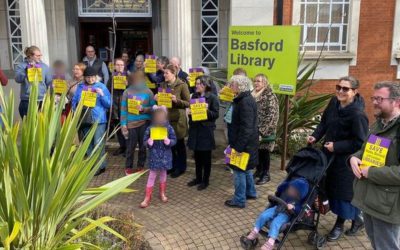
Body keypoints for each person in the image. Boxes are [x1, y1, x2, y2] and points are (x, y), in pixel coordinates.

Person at [307, 76, 369, 241]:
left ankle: (340, 224)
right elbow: (324, 123)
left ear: (354, 92)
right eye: (338, 87)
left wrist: (337, 146)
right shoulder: (333, 103)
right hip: (328, 157)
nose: (340, 91)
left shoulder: (358, 114)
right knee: (330, 190)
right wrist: (315, 136)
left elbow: (360, 143)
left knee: (343, 195)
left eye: (345, 89)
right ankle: (358, 219)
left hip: (345, 162)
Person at [349, 81, 400, 250]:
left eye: (380, 98)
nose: (374, 102)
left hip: (387, 204)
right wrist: (354, 158)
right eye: (373, 98)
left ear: (396, 101)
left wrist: (371, 172)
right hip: (369, 198)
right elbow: (364, 151)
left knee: (386, 246)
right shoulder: (378, 124)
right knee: (376, 243)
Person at [240, 178, 309, 250]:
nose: (291, 190)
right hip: (277, 208)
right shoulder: (286, 191)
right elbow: (279, 189)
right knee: (264, 215)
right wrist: (287, 184)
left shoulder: (298, 201)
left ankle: (271, 242)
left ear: (298, 193)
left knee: (275, 222)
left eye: (293, 190)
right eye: (291, 187)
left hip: (285, 214)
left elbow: (300, 210)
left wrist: (293, 207)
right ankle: (255, 231)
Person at [224, 75, 259, 209]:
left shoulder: (244, 102)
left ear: (239, 86)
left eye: (232, 84)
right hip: (247, 143)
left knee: (238, 170)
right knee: (247, 169)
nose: (230, 86)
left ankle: (239, 199)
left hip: (243, 144)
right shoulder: (243, 99)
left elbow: (246, 128)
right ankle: (250, 192)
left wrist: (238, 147)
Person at [72, 67, 111, 176]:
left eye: (92, 77)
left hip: (99, 119)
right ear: (85, 77)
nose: (90, 79)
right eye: (88, 77)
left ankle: (101, 166)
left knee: (98, 143)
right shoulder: (80, 87)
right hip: (84, 118)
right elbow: (74, 101)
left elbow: (108, 104)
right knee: (87, 144)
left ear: (96, 77)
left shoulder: (101, 86)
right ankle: (91, 165)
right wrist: (77, 107)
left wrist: (102, 95)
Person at [156, 64, 190, 178]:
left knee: (179, 145)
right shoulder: (162, 85)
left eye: (167, 73)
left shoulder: (182, 85)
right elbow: (161, 103)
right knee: (169, 145)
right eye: (164, 73)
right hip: (166, 119)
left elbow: (188, 103)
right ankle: (172, 166)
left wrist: (177, 100)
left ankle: (181, 167)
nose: (164, 75)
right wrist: (157, 99)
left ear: (173, 73)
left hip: (178, 121)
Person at [186, 75, 220, 190]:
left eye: (198, 84)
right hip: (195, 130)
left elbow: (215, 114)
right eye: (196, 84)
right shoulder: (194, 96)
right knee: (197, 157)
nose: (196, 86)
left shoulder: (213, 98)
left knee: (206, 158)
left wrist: (207, 110)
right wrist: (189, 113)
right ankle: (198, 178)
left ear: (205, 85)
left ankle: (205, 181)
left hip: (205, 131)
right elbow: (192, 112)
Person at [140, 105, 177, 208]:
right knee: (151, 176)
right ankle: (147, 197)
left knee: (163, 174)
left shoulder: (169, 128)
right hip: (154, 156)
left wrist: (169, 142)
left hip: (165, 157)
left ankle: (162, 193)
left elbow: (174, 140)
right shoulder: (150, 128)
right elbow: (144, 141)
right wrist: (148, 142)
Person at [121, 70, 155, 175]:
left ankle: (140, 165)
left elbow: (154, 108)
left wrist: (144, 109)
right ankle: (128, 166)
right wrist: (123, 124)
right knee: (130, 147)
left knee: (143, 146)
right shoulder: (127, 92)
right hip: (131, 123)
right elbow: (123, 109)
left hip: (144, 123)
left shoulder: (148, 92)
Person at [252, 74, 279, 185]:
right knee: (257, 151)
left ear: (264, 83)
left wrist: (261, 131)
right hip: (255, 129)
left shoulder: (270, 96)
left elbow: (271, 116)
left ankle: (266, 174)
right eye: (255, 81)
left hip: (266, 131)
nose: (256, 83)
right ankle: (259, 171)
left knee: (264, 152)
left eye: (258, 81)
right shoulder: (253, 94)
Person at [15, 46, 52, 118]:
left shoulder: (44, 66)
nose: (40, 57)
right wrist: (26, 71)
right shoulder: (21, 66)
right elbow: (18, 79)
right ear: (30, 56)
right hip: (27, 100)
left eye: (40, 55)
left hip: (42, 100)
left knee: (42, 126)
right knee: (29, 126)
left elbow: (49, 82)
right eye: (37, 55)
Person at [111, 58, 128, 156]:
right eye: (117, 65)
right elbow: (108, 90)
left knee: (126, 128)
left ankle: (128, 148)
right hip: (115, 107)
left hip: (125, 106)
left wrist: (128, 84)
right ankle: (122, 147)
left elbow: (134, 90)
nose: (119, 67)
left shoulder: (128, 76)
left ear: (124, 66)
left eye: (121, 65)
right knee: (118, 128)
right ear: (114, 66)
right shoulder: (112, 76)